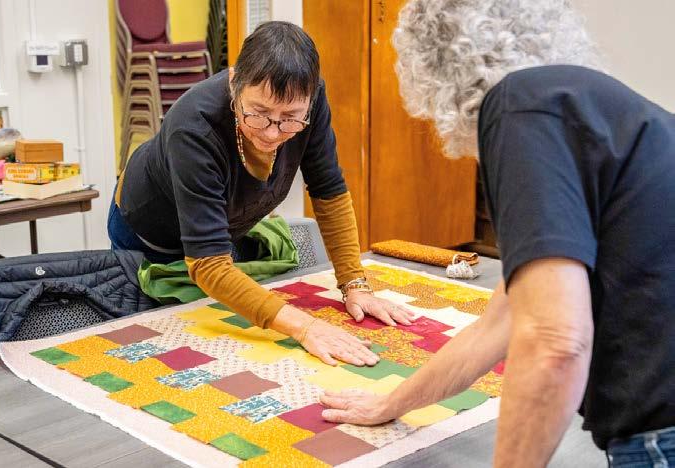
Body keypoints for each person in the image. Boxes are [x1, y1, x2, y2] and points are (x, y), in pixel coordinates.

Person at [320, 1, 675, 466]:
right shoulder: (585, 107)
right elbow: (498, 325)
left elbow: (555, 342)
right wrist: (391, 403)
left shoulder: (520, 105)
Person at [108, 21, 415, 367]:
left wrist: (354, 284)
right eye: (259, 114)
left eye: (290, 118)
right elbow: (209, 265)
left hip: (219, 237)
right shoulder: (193, 125)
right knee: (163, 347)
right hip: (150, 234)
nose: (272, 133)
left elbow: (328, 190)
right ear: (235, 83)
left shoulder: (311, 100)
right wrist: (305, 327)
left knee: (223, 338)